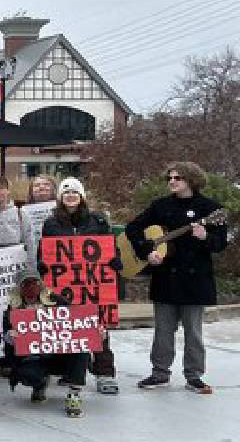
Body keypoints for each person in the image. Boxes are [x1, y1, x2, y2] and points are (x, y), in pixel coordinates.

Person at [126, 161, 229, 394]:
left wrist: (205, 237)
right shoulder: (160, 206)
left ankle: (194, 376)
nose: (172, 181)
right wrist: (147, 252)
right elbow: (133, 228)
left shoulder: (210, 209)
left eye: (178, 178)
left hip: (195, 279)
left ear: (191, 180)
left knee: (193, 331)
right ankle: (159, 373)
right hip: (165, 277)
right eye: (170, 178)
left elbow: (221, 243)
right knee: (163, 330)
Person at [40, 177, 120, 395]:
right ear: (60, 198)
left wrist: (114, 260)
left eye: (75, 192)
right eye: (66, 193)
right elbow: (45, 250)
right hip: (65, 287)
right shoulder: (51, 223)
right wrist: (43, 265)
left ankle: (105, 374)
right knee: (67, 327)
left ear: (82, 196)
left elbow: (109, 246)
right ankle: (71, 373)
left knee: (98, 327)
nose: (71, 196)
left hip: (93, 285)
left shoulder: (98, 221)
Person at [2, 266, 88, 417]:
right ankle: (39, 384)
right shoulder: (12, 309)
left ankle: (74, 393)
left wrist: (97, 331)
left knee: (80, 348)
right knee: (29, 374)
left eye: (34, 282)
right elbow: (7, 340)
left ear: (40, 284)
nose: (30, 287)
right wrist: (10, 338)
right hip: (33, 358)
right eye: (25, 284)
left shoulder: (56, 301)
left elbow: (78, 322)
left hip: (58, 354)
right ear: (19, 288)